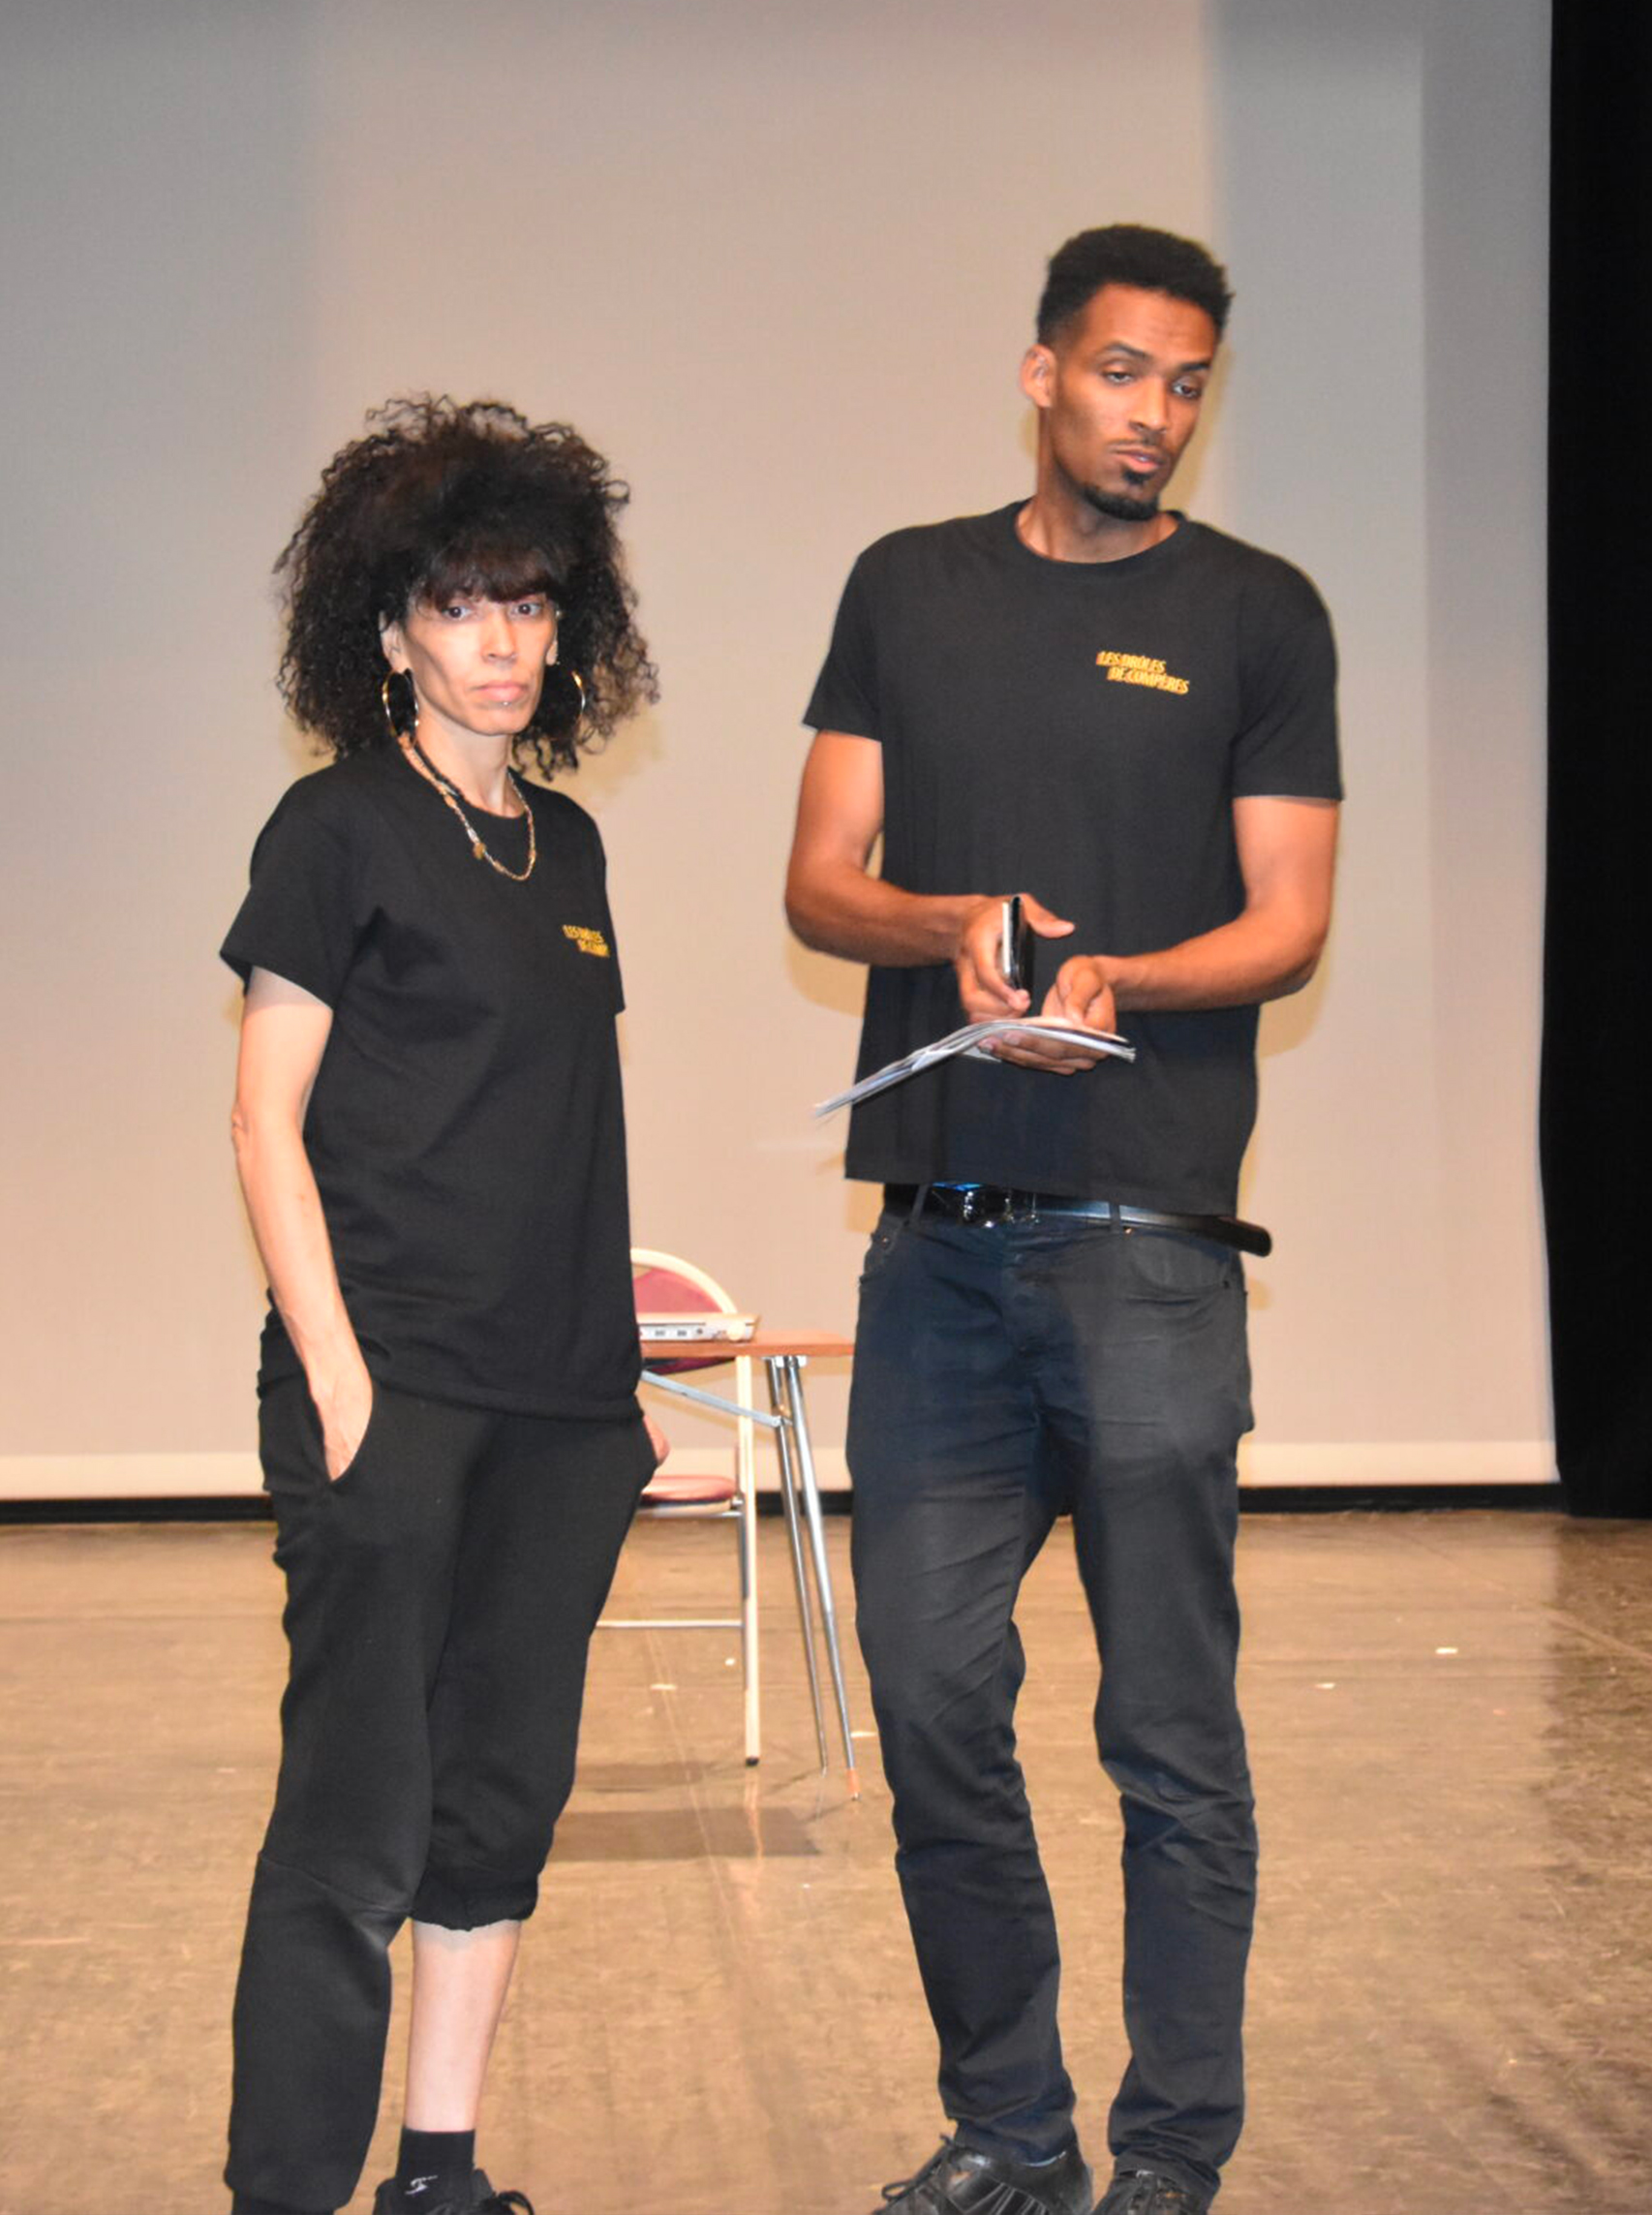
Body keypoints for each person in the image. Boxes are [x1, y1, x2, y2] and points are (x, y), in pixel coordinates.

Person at [785, 227, 1340, 2215]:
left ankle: (1169, 2157)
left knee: (1168, 1735)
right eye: (1120, 372)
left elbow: (1288, 920)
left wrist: (1122, 979)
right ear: (1041, 374)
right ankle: (1012, 2130)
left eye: (1185, 384)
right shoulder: (905, 588)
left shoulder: (1258, 614)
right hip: (934, 1254)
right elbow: (819, 877)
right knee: (933, 1704)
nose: (1153, 415)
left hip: (1149, 1251)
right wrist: (945, 924)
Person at [220, 396, 661, 2215]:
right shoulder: (335, 829)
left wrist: (614, 1402)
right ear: (389, 628)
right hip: (391, 1388)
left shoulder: (569, 849)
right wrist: (340, 1382)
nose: (501, 641)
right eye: (461, 604)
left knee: (498, 1807)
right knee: (354, 1816)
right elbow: (264, 1119)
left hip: (561, 1415)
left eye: (530, 604)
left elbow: (554, 1133)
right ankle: (286, 2191)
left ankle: (440, 2174)